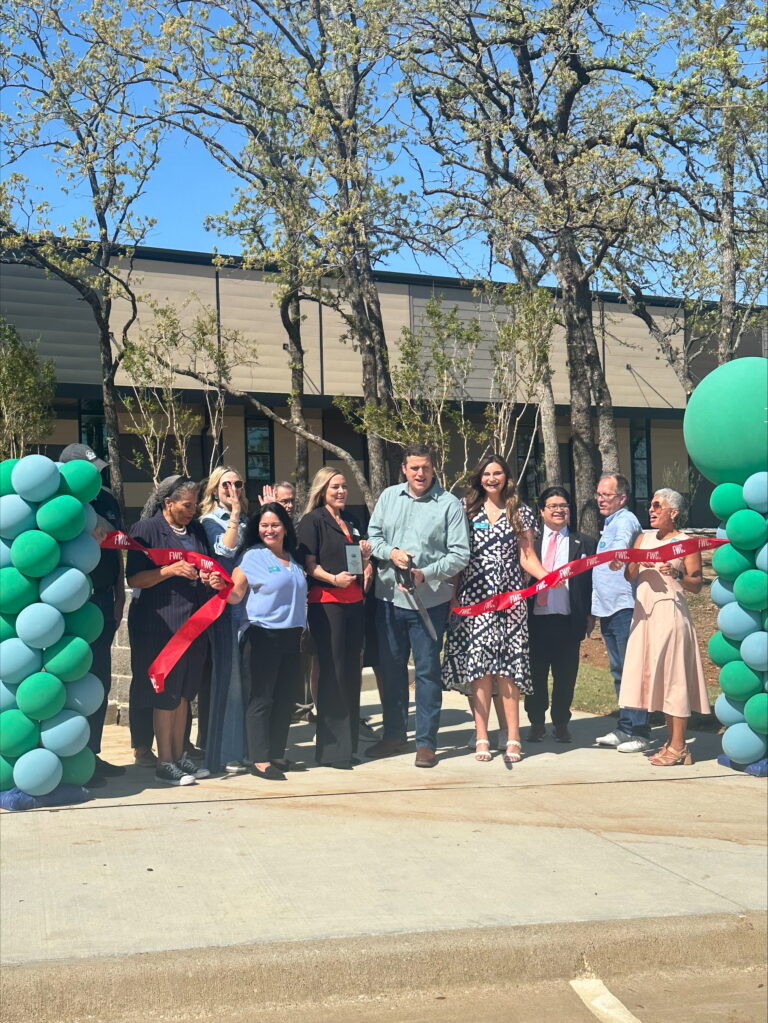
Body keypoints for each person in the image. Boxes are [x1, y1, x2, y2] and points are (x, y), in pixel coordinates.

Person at [366, 444, 470, 768]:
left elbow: (459, 554)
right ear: (405, 470)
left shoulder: (449, 505)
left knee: (426, 673)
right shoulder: (388, 498)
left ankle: (426, 743)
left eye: (425, 467)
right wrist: (391, 552)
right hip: (389, 599)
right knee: (392, 669)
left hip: (429, 603)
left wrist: (426, 573)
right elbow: (373, 537)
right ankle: (394, 736)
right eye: (414, 468)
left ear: (433, 468)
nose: (419, 474)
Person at [442, 455, 550, 765]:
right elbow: (459, 557)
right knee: (480, 670)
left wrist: (548, 577)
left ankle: (513, 737)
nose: (492, 478)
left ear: (506, 477)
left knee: (509, 669)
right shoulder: (465, 509)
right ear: (479, 478)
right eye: (487, 473)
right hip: (475, 600)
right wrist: (454, 596)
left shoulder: (521, 511)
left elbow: (527, 557)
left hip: (510, 601)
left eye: (498, 473)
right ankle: (481, 736)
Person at [126, 476, 226, 786]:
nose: (192, 511)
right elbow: (134, 579)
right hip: (160, 625)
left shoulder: (195, 530)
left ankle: (180, 754)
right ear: (168, 503)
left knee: (184, 693)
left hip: (193, 622)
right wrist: (167, 570)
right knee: (165, 693)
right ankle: (164, 761)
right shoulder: (146, 530)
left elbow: (208, 566)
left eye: (195, 505)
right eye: (186, 505)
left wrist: (212, 580)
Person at [612, 489, 708, 765]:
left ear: (673, 513)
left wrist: (675, 573)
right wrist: (634, 561)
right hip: (644, 616)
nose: (651, 510)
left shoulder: (686, 542)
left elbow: (697, 584)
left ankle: (680, 746)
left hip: (671, 615)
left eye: (657, 506)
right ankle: (671, 742)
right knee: (659, 682)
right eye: (650, 506)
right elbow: (629, 575)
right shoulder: (643, 538)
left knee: (674, 680)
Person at [58, 443, 127, 786]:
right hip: (67, 606)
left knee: (97, 680)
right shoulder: (57, 501)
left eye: (97, 469)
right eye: (88, 471)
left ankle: (92, 755)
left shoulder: (107, 499)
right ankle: (66, 755)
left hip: (102, 603)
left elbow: (116, 552)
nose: (96, 475)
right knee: (68, 679)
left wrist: (119, 595)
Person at [296, 468, 371, 769]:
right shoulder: (312, 521)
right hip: (327, 603)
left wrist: (364, 555)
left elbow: (356, 562)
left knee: (351, 673)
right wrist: (332, 579)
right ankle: (331, 751)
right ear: (321, 490)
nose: (341, 491)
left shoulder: (351, 521)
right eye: (334, 487)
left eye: (343, 487)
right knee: (333, 674)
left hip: (354, 603)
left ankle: (348, 746)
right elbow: (309, 564)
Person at [228, 502, 307, 780]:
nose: (269, 530)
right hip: (262, 635)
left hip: (292, 636)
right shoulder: (252, 556)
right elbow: (235, 593)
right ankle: (259, 760)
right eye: (264, 525)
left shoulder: (292, 557)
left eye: (274, 525)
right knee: (260, 699)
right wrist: (218, 586)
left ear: (285, 527)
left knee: (285, 698)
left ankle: (276, 753)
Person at [525, 485, 597, 743]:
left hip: (568, 620)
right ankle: (535, 722)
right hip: (535, 620)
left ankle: (561, 722)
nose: (559, 510)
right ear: (542, 511)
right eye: (553, 506)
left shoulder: (586, 543)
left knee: (566, 676)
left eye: (563, 506)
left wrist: (591, 615)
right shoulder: (529, 543)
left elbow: (591, 583)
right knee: (535, 674)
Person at [592, 474, 650, 752]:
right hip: (607, 609)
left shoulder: (625, 520)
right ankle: (625, 727)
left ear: (622, 498)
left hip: (624, 608)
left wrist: (619, 557)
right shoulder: (609, 522)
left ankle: (640, 731)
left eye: (607, 495)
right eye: (599, 494)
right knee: (619, 671)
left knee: (632, 670)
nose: (601, 500)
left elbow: (623, 546)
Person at [199, 466, 249, 774]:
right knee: (228, 681)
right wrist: (234, 513)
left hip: (248, 607)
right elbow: (226, 549)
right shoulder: (210, 521)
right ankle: (224, 751)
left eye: (237, 483)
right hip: (224, 607)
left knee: (243, 679)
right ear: (215, 490)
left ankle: (241, 745)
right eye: (225, 484)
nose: (232, 488)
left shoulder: (245, 519)